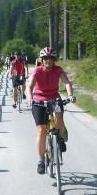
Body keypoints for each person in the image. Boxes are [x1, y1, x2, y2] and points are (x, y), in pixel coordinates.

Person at [26, 47, 75, 175]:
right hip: (38, 101)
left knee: (59, 116)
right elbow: (30, 85)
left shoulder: (58, 70)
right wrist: (30, 98)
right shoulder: (37, 70)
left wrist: (70, 95)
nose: (48, 61)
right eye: (46, 59)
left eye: (51, 59)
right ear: (42, 60)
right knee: (41, 130)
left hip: (54, 99)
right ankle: (41, 161)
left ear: (54, 60)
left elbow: (67, 82)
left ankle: (58, 138)